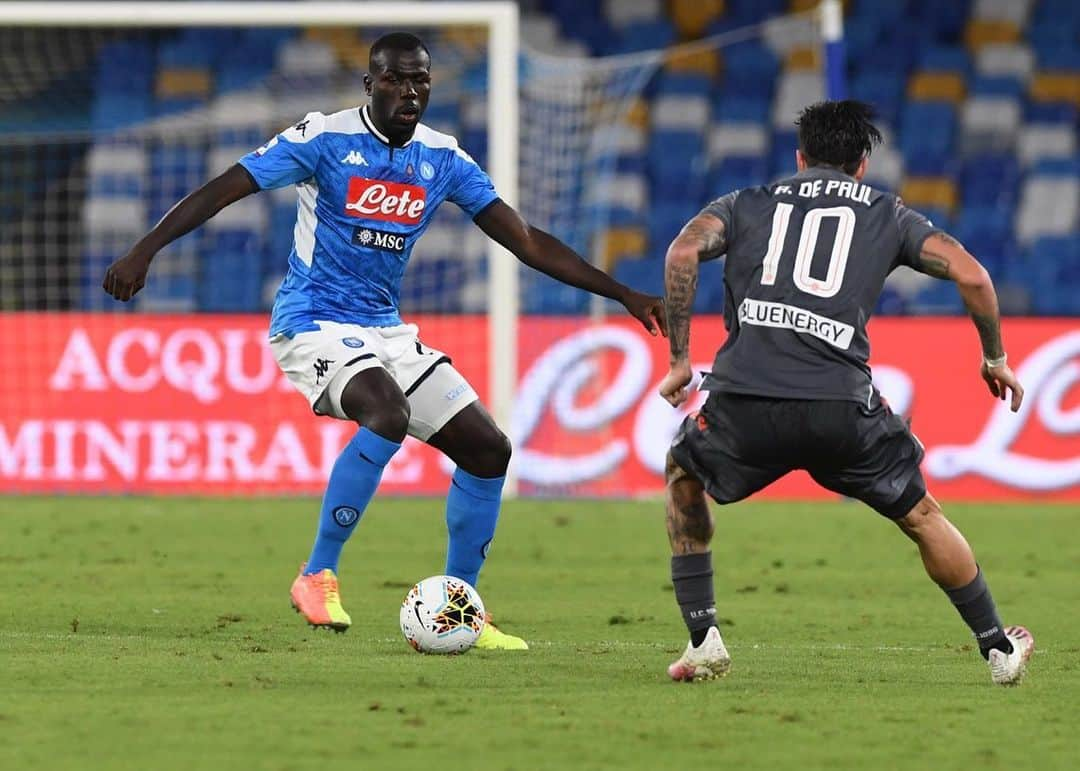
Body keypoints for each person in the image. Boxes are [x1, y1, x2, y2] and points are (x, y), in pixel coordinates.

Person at [103, 32, 665, 650]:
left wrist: (622, 293)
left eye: (420, 80)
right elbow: (225, 188)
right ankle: (317, 572)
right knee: (387, 413)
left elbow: (526, 240)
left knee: (488, 449)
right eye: (395, 79)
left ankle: (460, 611)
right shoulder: (324, 138)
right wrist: (144, 249)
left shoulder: (443, 158)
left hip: (384, 329)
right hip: (312, 321)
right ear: (370, 85)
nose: (410, 91)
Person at [656, 99, 1033, 684]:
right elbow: (973, 275)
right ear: (862, 166)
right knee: (923, 516)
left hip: (746, 403)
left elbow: (682, 251)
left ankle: (704, 639)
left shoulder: (744, 204)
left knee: (683, 473)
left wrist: (681, 359)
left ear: (800, 158)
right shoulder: (890, 214)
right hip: (842, 410)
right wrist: (995, 358)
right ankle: (998, 649)